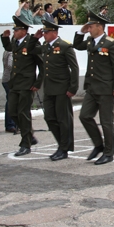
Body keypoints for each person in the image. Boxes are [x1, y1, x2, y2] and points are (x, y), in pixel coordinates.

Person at [73, 11, 114, 165]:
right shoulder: (90, 41)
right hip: (92, 87)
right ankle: (98, 145)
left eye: (91, 26)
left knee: (106, 122)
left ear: (99, 27)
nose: (89, 29)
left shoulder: (111, 43)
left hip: (106, 89)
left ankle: (109, 153)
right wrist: (80, 32)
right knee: (84, 116)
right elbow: (77, 45)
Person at [34, 20, 79, 161]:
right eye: (44, 32)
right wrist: (35, 38)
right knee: (49, 117)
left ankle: (63, 149)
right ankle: (62, 144)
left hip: (62, 89)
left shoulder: (65, 46)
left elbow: (74, 68)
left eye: (46, 32)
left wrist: (73, 88)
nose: (44, 35)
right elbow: (31, 49)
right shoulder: (45, 46)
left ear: (54, 32)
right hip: (49, 89)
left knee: (63, 119)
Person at [1, 16, 43, 156]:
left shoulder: (32, 42)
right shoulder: (15, 41)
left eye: (16, 30)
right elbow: (9, 48)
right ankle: (29, 135)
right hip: (15, 83)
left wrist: (38, 83)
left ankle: (26, 144)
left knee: (23, 113)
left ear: (24, 31)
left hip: (27, 84)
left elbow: (41, 64)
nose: (14, 32)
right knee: (12, 111)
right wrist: (5, 38)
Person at [1, 50, 17, 133]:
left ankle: (12, 124)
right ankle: (10, 124)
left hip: (7, 79)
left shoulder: (7, 50)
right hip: (10, 79)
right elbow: (11, 64)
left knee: (11, 101)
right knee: (11, 102)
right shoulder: (11, 51)